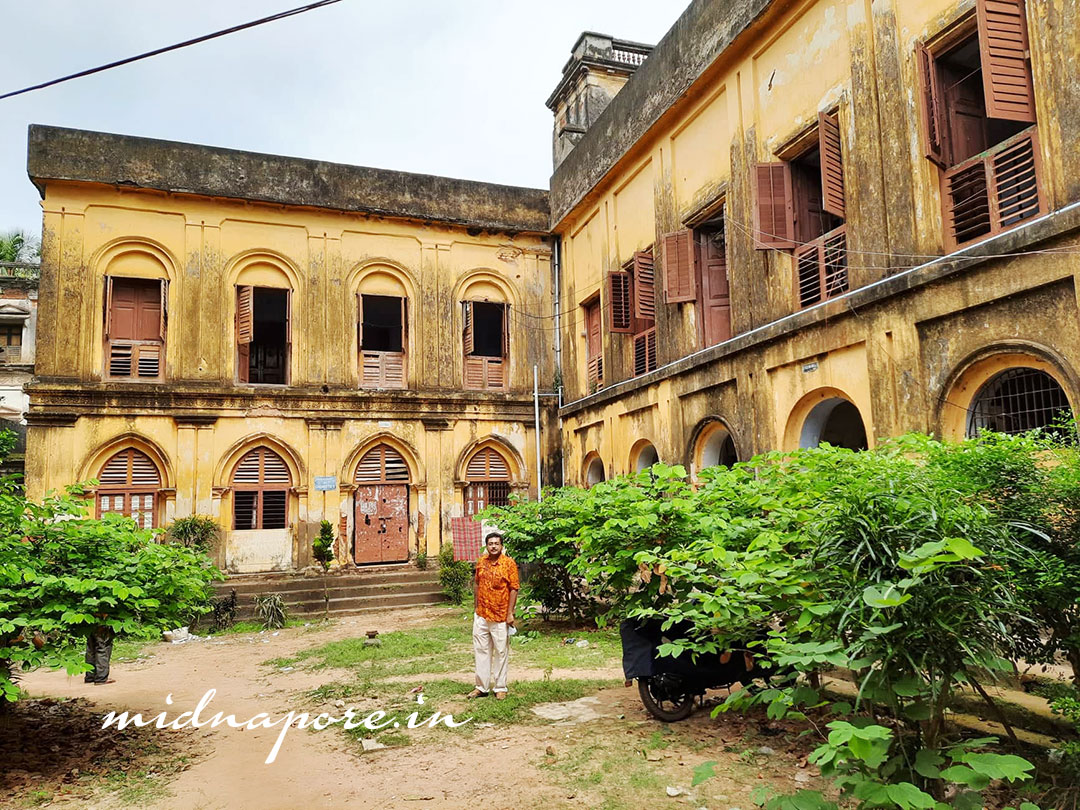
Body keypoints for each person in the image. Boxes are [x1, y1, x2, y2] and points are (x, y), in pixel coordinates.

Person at [467, 531, 519, 700]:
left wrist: (510, 612)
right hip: (482, 613)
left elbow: (514, 588)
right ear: (487, 546)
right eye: (490, 544)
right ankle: (481, 687)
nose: (494, 546)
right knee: (481, 650)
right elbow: (477, 584)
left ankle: (500, 687)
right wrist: (476, 607)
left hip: (500, 614)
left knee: (501, 651)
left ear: (501, 546)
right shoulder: (481, 562)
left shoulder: (509, 564)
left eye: (497, 543)